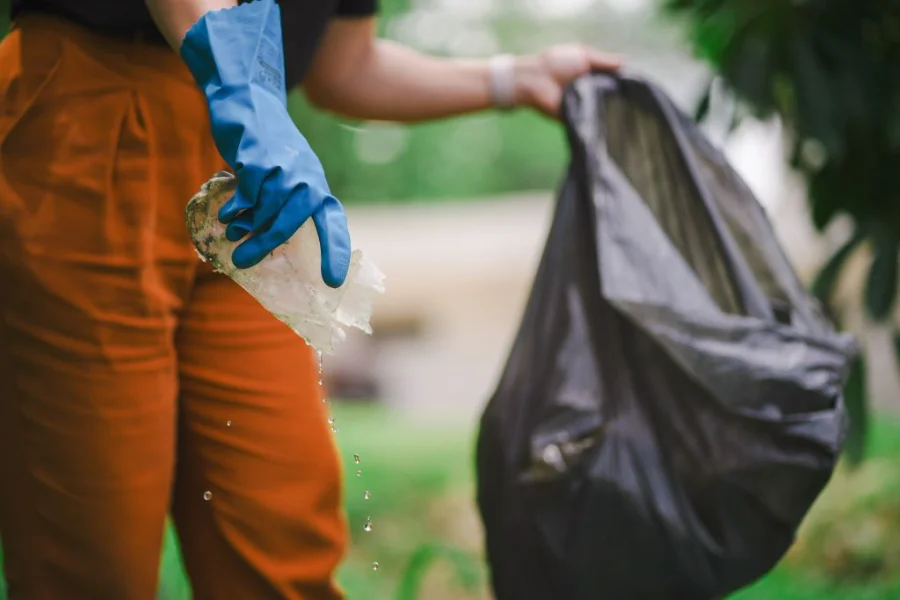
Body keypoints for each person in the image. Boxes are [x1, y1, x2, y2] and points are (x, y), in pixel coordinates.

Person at [0, 0, 620, 597]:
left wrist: (516, 77)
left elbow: (343, 66)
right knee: (91, 556)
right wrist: (242, 93)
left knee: (279, 531)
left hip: (249, 179)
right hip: (87, 117)